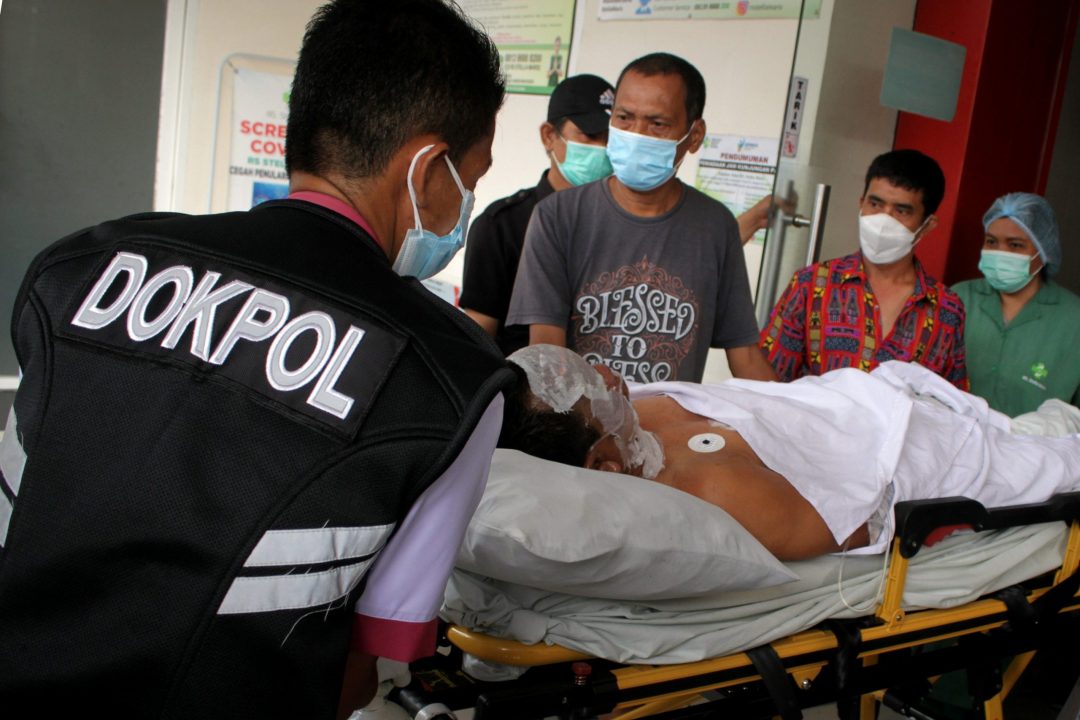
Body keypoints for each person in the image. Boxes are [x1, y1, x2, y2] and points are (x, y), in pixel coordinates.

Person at [0, 2, 516, 718]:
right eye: (472, 178)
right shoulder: (451, 378)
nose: (465, 205)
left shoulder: (82, 266)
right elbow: (359, 674)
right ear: (428, 167)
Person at [500, 345, 1080, 562]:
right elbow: (858, 517)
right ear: (603, 465)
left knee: (1041, 425)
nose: (608, 373)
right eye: (599, 391)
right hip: (923, 449)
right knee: (1058, 452)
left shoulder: (630, 425)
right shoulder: (713, 495)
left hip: (879, 398)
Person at [507, 52, 776, 384]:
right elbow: (548, 355)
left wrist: (796, 418)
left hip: (669, 430)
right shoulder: (557, 217)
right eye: (624, 117)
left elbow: (745, 356)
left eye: (657, 123)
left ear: (694, 135)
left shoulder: (715, 226)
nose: (636, 133)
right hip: (583, 428)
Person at [760, 149, 968, 389]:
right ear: (861, 204)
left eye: (901, 210)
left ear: (927, 224)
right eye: (875, 204)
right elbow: (768, 381)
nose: (883, 219)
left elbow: (950, 407)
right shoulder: (812, 284)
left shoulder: (946, 308)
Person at [461, 74, 615, 356]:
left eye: (612, 139)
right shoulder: (501, 226)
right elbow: (477, 335)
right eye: (590, 136)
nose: (603, 149)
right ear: (549, 136)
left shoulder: (621, 223)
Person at [953, 193, 1080, 416]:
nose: (1001, 252)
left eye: (1015, 245)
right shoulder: (959, 299)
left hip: (1034, 449)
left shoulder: (1073, 320)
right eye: (991, 242)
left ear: (1043, 251)